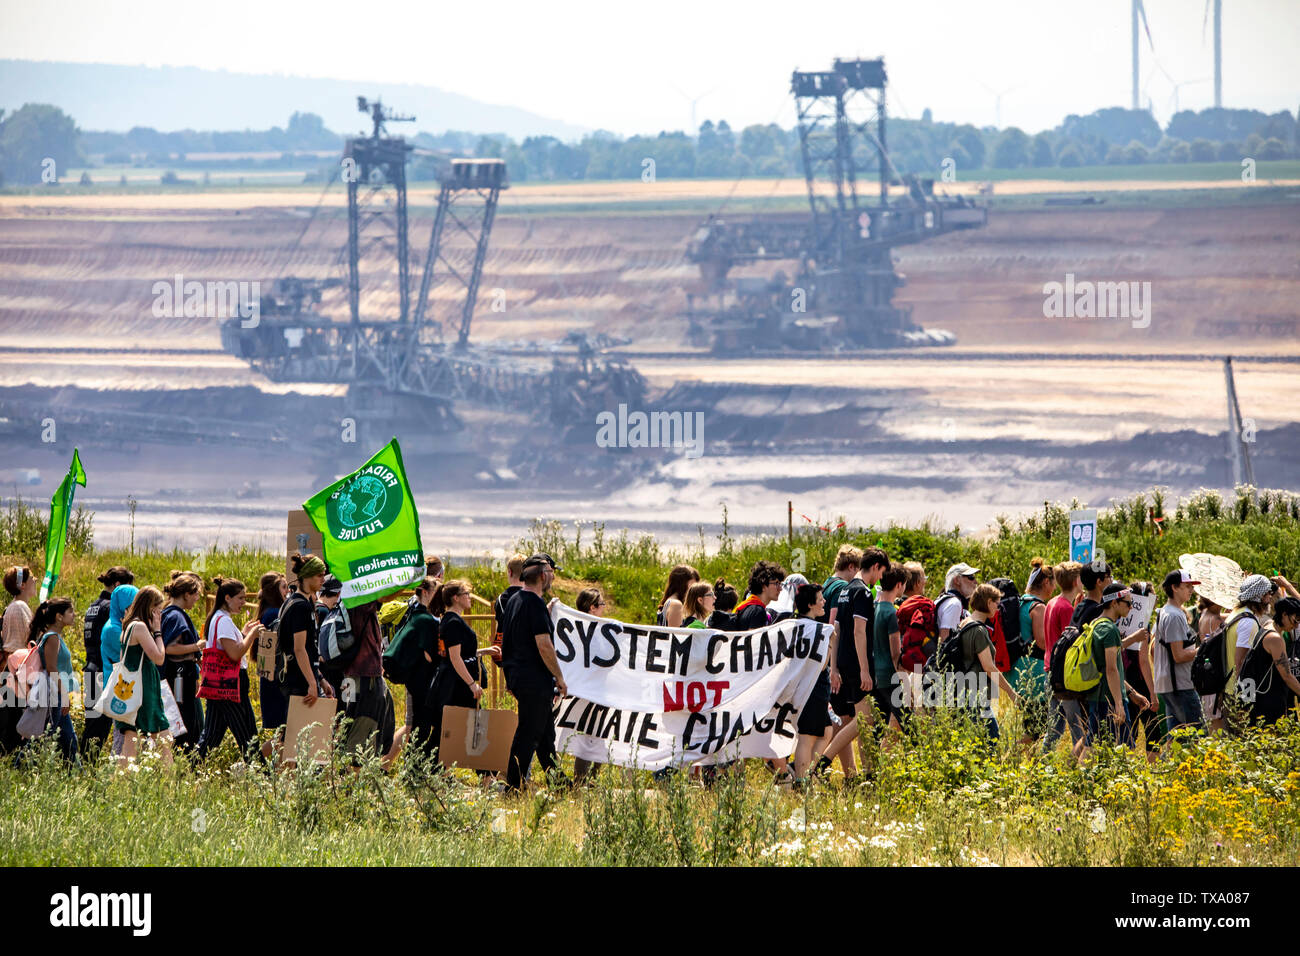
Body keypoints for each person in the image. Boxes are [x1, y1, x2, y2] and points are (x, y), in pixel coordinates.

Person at [503, 553, 569, 791]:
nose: (553, 577)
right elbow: (543, 644)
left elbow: (509, 641)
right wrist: (559, 677)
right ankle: (513, 787)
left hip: (520, 677)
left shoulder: (516, 600)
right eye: (551, 573)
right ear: (543, 576)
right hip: (534, 680)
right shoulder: (534, 604)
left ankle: (559, 784)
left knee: (544, 735)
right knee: (528, 735)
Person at [824, 547, 888, 779]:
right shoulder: (862, 592)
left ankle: (868, 773)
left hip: (844, 663)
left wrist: (835, 665)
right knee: (864, 720)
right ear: (875, 567)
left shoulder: (845, 591)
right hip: (858, 665)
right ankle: (825, 760)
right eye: (881, 572)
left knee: (862, 720)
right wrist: (864, 670)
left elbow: (836, 630)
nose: (880, 578)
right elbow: (859, 632)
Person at [946, 583, 1021, 743]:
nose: (998, 608)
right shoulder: (979, 631)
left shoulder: (965, 622)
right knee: (991, 741)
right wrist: (1010, 692)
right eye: (997, 603)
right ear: (988, 602)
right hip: (976, 696)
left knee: (971, 743)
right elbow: (989, 667)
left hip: (963, 692)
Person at [197, 577, 262, 760]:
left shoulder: (218, 617)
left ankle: (189, 769)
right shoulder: (223, 620)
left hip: (218, 683)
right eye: (240, 598)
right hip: (231, 684)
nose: (244, 602)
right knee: (247, 735)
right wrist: (251, 636)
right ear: (227, 597)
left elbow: (225, 647)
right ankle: (261, 774)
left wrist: (242, 633)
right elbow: (235, 654)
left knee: (211, 736)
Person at [1087, 584, 1152, 747]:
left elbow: (1109, 664)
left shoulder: (1097, 623)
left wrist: (1131, 692)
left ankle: (1073, 770)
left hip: (1101, 696)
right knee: (1123, 749)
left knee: (1093, 745)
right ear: (1114, 603)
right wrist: (1119, 704)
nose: (1131, 607)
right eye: (1128, 603)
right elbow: (1110, 669)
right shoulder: (1109, 629)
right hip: (1108, 698)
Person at [80, 566, 133, 759]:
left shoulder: (94, 605)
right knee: (99, 727)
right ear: (118, 586)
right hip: (104, 670)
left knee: (92, 723)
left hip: (91, 668)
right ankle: (85, 767)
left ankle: (84, 766)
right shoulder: (111, 608)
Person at [428, 580, 484, 762]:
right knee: (473, 727)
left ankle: (422, 770)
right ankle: (486, 775)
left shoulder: (453, 620)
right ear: (456, 598)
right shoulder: (452, 621)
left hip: (455, 684)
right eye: (466, 594)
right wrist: (472, 684)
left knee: (449, 730)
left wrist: (483, 652)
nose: (469, 597)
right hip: (456, 686)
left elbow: (461, 653)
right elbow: (455, 657)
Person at [116, 586, 172, 765]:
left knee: (145, 739)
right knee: (136, 741)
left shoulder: (128, 626)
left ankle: (169, 784)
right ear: (151, 607)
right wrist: (157, 631)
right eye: (159, 609)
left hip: (136, 688)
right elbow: (159, 658)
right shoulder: (139, 627)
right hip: (143, 690)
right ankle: (167, 782)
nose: (160, 613)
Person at [1041, 562, 1088, 755]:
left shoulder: (1052, 603)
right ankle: (1079, 771)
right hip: (1064, 675)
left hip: (1049, 670)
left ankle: (1041, 765)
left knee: (1055, 727)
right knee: (1079, 729)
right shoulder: (1067, 608)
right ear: (1077, 581)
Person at [1223, 574, 1278, 732]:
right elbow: (1241, 662)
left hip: (1229, 688)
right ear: (1259, 596)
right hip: (1238, 691)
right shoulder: (1248, 621)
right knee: (1242, 738)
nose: (1269, 598)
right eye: (1267, 594)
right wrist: (1245, 701)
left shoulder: (1236, 613)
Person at [1234, 595, 1300, 726]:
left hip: (1256, 697)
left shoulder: (1267, 625)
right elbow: (1287, 676)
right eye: (1295, 620)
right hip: (1266, 701)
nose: (1296, 625)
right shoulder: (1275, 638)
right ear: (1284, 615)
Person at [1153, 569, 1204, 734]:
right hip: (1180, 685)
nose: (1191, 590)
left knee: (1177, 737)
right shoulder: (1174, 616)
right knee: (1198, 734)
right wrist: (1202, 649)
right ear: (1174, 587)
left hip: (1169, 683)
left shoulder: (1164, 612)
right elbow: (1179, 656)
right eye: (1187, 586)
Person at [28, 597, 80, 762]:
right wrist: (64, 694)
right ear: (59, 616)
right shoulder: (52, 638)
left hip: (55, 693)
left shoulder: (53, 636)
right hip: (53, 694)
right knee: (42, 738)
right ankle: (19, 766)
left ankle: (77, 773)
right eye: (70, 611)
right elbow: (51, 668)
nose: (74, 614)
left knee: (69, 739)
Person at [792, 583, 832, 786]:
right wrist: (831, 645)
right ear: (810, 604)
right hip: (813, 688)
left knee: (827, 731)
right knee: (806, 737)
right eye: (820, 599)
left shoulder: (793, 625)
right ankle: (801, 780)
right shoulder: (820, 630)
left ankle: (802, 770)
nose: (824, 601)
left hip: (804, 687)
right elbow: (821, 664)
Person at [396, 576, 441, 759]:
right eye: (436, 592)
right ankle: (416, 768)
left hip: (415, 680)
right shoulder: (425, 619)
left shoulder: (414, 615)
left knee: (420, 725)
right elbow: (429, 654)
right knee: (422, 726)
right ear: (425, 592)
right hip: (423, 681)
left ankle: (416, 767)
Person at [160, 571, 205, 753]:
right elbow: (170, 648)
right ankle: (186, 758)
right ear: (187, 594)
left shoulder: (168, 612)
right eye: (195, 595)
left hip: (177, 675)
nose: (196, 599)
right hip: (179, 675)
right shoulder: (176, 616)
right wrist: (196, 646)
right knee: (185, 720)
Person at [1012, 559, 1054, 742]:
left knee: (1031, 722)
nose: (1054, 588)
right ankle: (1017, 756)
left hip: (1018, 666)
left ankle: (1026, 759)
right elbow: (1043, 643)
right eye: (1053, 583)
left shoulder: (1022, 602)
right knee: (1037, 725)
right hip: (1034, 670)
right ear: (1046, 582)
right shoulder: (1038, 607)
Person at [100, 583, 139, 758]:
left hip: (124, 685)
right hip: (118, 687)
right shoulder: (113, 628)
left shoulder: (120, 625)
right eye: (132, 605)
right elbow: (130, 655)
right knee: (122, 733)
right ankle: (117, 767)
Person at [254, 571, 291, 755]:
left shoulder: (267, 612)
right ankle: (255, 762)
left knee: (284, 732)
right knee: (285, 732)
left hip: (270, 677)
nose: (287, 591)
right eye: (284, 587)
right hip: (278, 678)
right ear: (274, 590)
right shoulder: (275, 614)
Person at [870, 563, 907, 734]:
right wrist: (905, 682)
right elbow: (895, 653)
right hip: (891, 675)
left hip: (878, 673)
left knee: (879, 726)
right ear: (899, 585)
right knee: (908, 725)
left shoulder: (877, 607)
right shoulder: (891, 613)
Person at [315, 575, 345, 715]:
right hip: (327, 669)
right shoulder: (325, 612)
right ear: (338, 594)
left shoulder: (315, 607)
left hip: (318, 669)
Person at [1197, 595, 1227, 731]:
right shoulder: (1215, 620)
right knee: (1217, 725)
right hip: (1215, 672)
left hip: (1207, 672)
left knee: (1213, 721)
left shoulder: (1205, 614)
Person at [732, 560, 786, 630]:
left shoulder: (747, 606)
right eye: (776, 583)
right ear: (763, 585)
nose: (780, 588)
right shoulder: (758, 612)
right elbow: (754, 640)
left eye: (780, 584)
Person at [935, 563, 979, 642]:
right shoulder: (954, 604)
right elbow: (944, 640)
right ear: (957, 580)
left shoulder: (945, 600)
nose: (976, 582)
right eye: (971, 577)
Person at [2, 565, 37, 655]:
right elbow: (25, 643)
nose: (35, 580)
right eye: (32, 577)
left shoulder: (17, 606)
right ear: (22, 585)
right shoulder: (18, 607)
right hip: (20, 666)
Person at [1071, 561, 1113, 629]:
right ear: (1099, 582)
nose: (1111, 581)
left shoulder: (1079, 606)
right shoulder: (1098, 611)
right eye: (1109, 577)